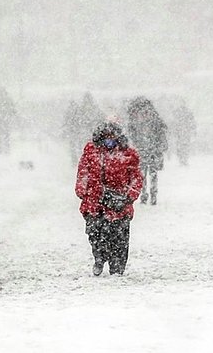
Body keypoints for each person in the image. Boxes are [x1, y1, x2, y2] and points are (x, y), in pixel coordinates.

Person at [75, 122, 143, 276]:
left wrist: (128, 197)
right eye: (106, 137)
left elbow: (136, 178)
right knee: (95, 233)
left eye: (112, 137)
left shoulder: (128, 154)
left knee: (119, 238)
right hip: (94, 202)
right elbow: (83, 173)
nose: (109, 141)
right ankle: (99, 257)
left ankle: (117, 268)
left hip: (119, 204)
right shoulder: (91, 152)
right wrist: (82, 191)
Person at [127, 96, 168, 205]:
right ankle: (152, 195)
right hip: (152, 150)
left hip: (142, 150)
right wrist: (161, 146)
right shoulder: (155, 117)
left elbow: (131, 134)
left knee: (142, 174)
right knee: (152, 174)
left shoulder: (135, 118)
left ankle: (144, 195)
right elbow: (162, 132)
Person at [62, 92, 104, 165]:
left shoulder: (81, 110)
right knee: (84, 146)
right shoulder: (90, 108)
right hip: (85, 132)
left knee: (80, 146)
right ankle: (84, 160)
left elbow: (77, 121)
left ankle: (79, 160)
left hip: (81, 132)